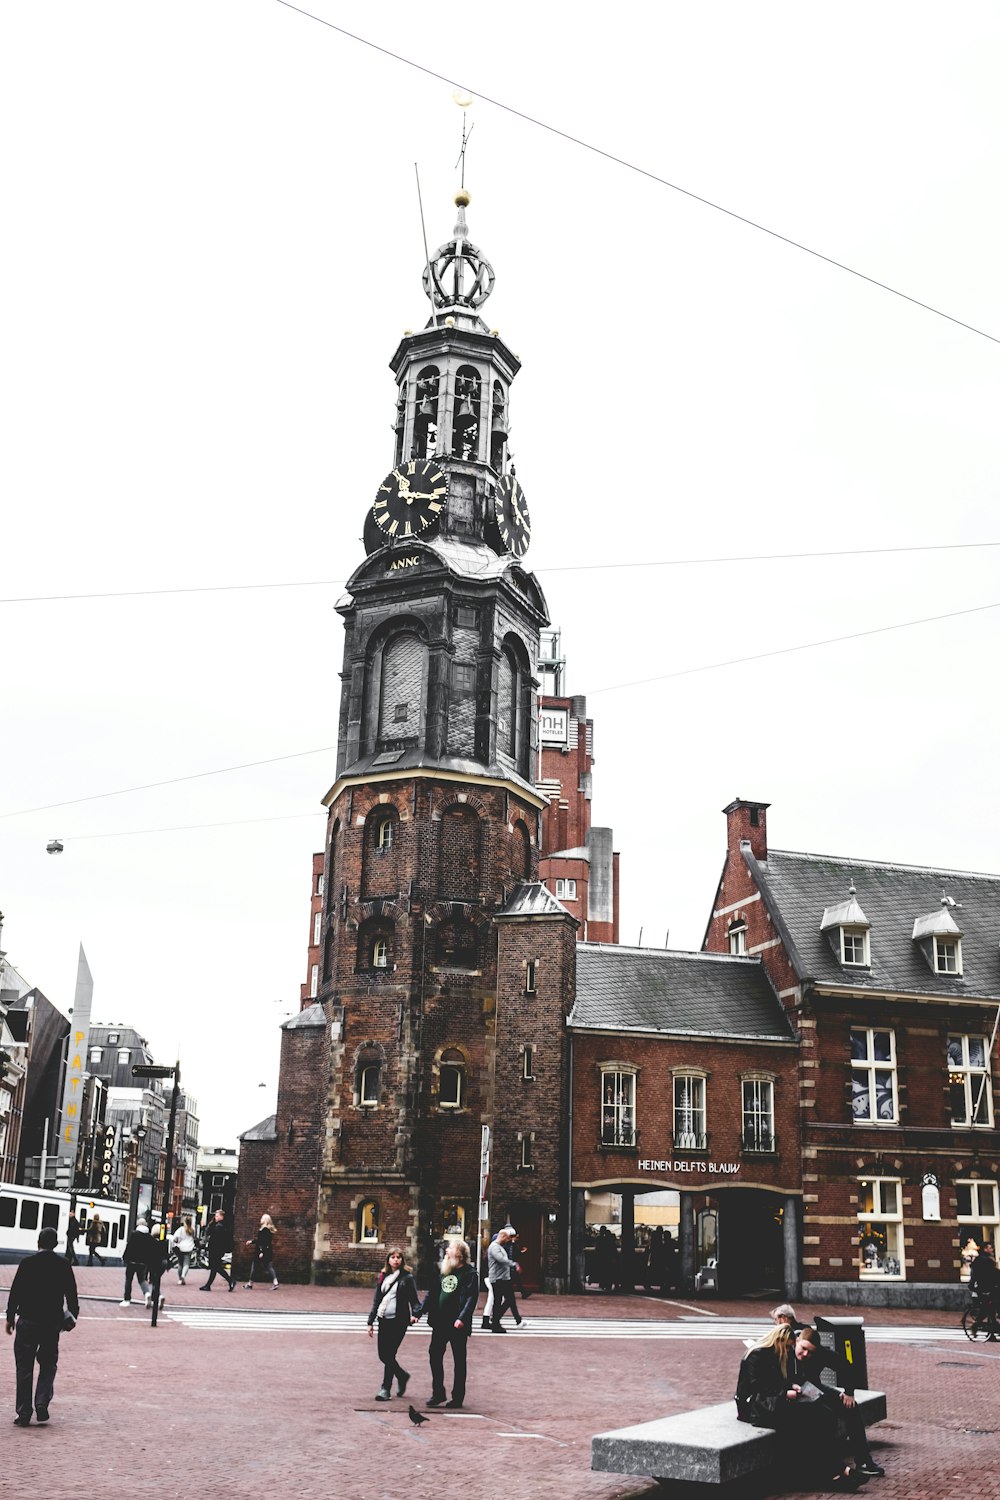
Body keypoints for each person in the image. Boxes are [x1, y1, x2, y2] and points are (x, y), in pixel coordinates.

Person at [735, 1323, 861, 1490]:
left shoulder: (777, 1354)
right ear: (778, 1341)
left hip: (773, 1403)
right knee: (813, 1417)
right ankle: (836, 1471)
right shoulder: (756, 1356)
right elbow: (756, 1388)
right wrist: (785, 1393)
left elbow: (778, 1382)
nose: (790, 1351)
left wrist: (790, 1387)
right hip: (756, 1408)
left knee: (824, 1414)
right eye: (788, 1347)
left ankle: (833, 1472)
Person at [6, 1225, 79, 1427]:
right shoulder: (63, 1265)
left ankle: (23, 1412)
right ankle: (41, 1402)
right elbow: (71, 1294)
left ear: (38, 1242)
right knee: (48, 1363)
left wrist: (10, 1317)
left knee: (24, 1366)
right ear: (55, 1244)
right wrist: (73, 1315)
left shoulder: (27, 1263)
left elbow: (16, 1291)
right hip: (51, 1322)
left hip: (27, 1320)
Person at [793, 1325, 885, 1479]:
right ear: (797, 1341)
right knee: (825, 1415)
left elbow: (846, 1367)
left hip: (813, 1388)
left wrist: (849, 1393)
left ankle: (863, 1462)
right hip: (790, 1391)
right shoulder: (786, 1349)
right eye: (803, 1348)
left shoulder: (820, 1353)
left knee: (850, 1408)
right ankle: (831, 1464)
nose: (805, 1354)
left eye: (810, 1352)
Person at [416, 1237, 479, 1410]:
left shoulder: (470, 1274)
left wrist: (462, 1318)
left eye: (450, 1248)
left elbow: (470, 1299)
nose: (447, 1251)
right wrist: (419, 1312)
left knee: (459, 1360)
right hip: (440, 1322)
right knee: (434, 1355)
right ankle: (438, 1392)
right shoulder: (445, 1271)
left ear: (459, 1253)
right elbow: (432, 1294)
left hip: (457, 1324)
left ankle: (457, 1397)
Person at [367, 1246, 420, 1401]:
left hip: (399, 1321)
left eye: (398, 1257)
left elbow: (414, 1300)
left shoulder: (407, 1278)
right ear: (388, 1259)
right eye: (393, 1257)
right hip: (383, 1320)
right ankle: (402, 1375)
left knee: (390, 1354)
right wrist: (370, 1321)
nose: (396, 1260)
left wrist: (416, 1314)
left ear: (402, 1260)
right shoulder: (383, 1276)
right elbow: (377, 1300)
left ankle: (385, 1388)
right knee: (383, 1355)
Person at [487, 1226, 524, 1331]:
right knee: (498, 1300)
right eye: (507, 1238)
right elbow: (501, 1259)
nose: (508, 1241)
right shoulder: (494, 1247)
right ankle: (495, 1323)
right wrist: (514, 1264)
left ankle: (496, 1321)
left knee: (508, 1299)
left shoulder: (499, 1246)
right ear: (502, 1236)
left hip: (503, 1278)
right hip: (498, 1278)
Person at [200, 1209, 236, 1291]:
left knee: (216, 1267)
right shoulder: (220, 1225)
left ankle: (230, 1280)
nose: (215, 1217)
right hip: (218, 1250)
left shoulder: (219, 1226)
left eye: (217, 1216)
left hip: (215, 1250)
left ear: (221, 1216)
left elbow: (213, 1237)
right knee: (215, 1268)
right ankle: (208, 1285)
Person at [968, 1241, 998, 1339]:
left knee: (989, 1310)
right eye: (990, 1248)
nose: (992, 1250)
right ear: (985, 1249)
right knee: (988, 1309)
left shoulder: (980, 1260)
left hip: (985, 1287)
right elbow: (993, 1274)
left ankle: (991, 1332)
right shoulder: (986, 1260)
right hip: (987, 1288)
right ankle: (979, 1326)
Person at [119, 1221, 151, 1306]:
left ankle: (127, 1299)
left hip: (132, 1261)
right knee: (142, 1280)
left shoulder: (134, 1234)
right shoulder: (148, 1236)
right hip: (143, 1263)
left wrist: (124, 1258)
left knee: (128, 1280)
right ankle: (147, 1293)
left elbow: (129, 1247)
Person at [245, 1213, 278, 1289]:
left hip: (262, 1251)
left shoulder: (264, 1230)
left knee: (255, 1267)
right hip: (267, 1251)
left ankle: (250, 1284)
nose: (261, 1219)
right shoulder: (268, 1230)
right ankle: (275, 1283)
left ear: (265, 1220)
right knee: (269, 1267)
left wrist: (261, 1251)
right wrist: (251, 1241)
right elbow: (263, 1241)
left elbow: (262, 1242)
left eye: (262, 1218)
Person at [170, 1216, 196, 1285]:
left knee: (180, 1264)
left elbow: (174, 1238)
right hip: (189, 1248)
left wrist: (177, 1241)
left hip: (181, 1248)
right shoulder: (193, 1229)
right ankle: (183, 1276)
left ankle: (180, 1279)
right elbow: (194, 1238)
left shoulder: (181, 1229)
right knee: (186, 1264)